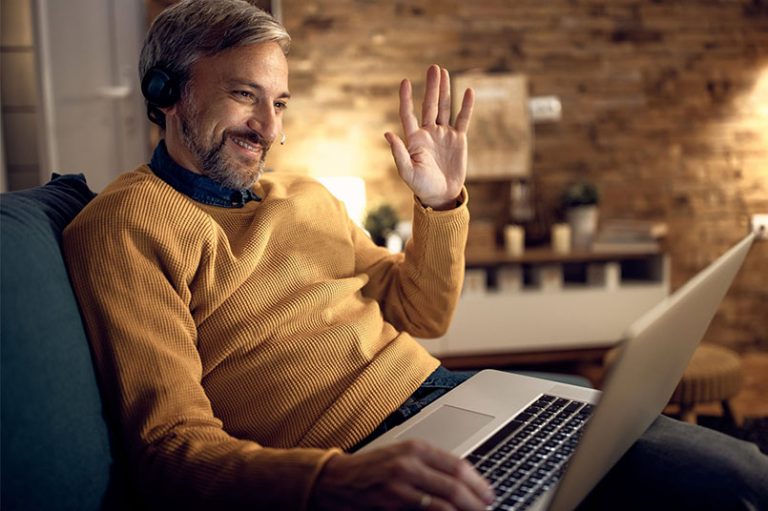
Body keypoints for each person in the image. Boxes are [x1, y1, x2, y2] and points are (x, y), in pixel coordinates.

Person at [62, 1, 767, 510]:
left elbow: (422, 310)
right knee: (723, 489)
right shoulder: (125, 226)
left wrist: (441, 203)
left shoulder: (303, 194)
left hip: (452, 392)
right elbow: (169, 448)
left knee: (740, 470)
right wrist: (335, 479)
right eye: (245, 97)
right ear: (168, 96)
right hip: (357, 455)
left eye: (280, 101)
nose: (271, 128)